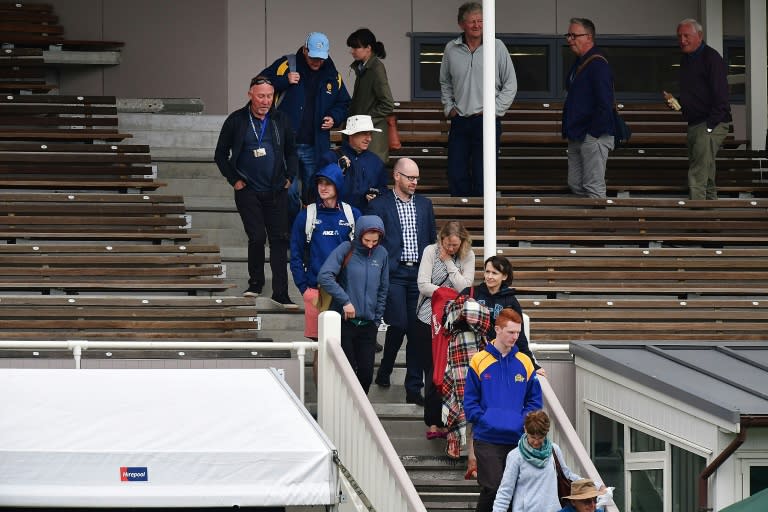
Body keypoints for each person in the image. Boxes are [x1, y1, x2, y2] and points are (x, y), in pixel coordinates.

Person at [214, 75, 298, 308]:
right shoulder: (236, 120)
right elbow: (220, 154)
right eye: (261, 95)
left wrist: (290, 177)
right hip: (248, 189)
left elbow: (292, 151)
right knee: (257, 237)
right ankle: (255, 283)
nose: (265, 100)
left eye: (269, 96)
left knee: (280, 241)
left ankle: (281, 293)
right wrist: (235, 180)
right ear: (250, 94)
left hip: (276, 190)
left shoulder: (281, 119)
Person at [368, 158, 436, 405]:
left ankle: (411, 388)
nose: (415, 182)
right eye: (410, 177)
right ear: (397, 176)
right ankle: (386, 367)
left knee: (416, 330)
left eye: (417, 178)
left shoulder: (425, 205)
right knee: (399, 323)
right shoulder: (379, 205)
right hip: (394, 274)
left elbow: (431, 241)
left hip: (419, 275)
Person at [261, 32, 351, 217]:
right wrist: (283, 81)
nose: (317, 62)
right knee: (289, 191)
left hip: (315, 145)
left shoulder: (333, 76)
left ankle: (307, 233)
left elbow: (345, 104)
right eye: (313, 57)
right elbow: (259, 85)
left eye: (321, 58)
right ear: (304, 50)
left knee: (314, 191)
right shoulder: (286, 65)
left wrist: (334, 117)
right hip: (285, 144)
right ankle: (293, 227)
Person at [464, 308, 543, 512]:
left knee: (512, 492)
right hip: (487, 437)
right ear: (497, 329)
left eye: (518, 332)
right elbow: (470, 401)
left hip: (516, 440)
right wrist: (484, 419)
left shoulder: (525, 362)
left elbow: (534, 401)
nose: (515, 337)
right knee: (493, 487)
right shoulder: (479, 360)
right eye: (511, 332)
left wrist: (521, 420)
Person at [439, 2, 517, 197]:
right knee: (456, 173)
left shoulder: (497, 46)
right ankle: (460, 222)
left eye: (481, 21)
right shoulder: (451, 48)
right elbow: (445, 81)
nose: (477, 25)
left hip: (487, 121)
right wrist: (449, 107)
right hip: (460, 120)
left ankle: (483, 223)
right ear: (461, 24)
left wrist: (494, 110)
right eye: (472, 21)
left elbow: (510, 84)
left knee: (485, 175)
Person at [416, 221, 475, 441]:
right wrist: (446, 294)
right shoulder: (430, 251)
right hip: (427, 318)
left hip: (456, 320)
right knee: (431, 371)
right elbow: (423, 284)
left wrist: (449, 262)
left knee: (451, 371)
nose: (451, 248)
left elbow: (465, 287)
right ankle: (432, 421)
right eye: (448, 244)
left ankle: (449, 421)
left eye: (455, 245)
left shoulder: (468, 256)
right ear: (441, 239)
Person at [289, 162, 361, 341]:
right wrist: (303, 288)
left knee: (344, 343)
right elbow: (295, 253)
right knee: (319, 347)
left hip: (346, 292)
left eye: (328, 183)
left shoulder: (353, 214)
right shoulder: (307, 215)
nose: (323, 187)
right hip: (316, 290)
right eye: (320, 182)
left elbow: (364, 252)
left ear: (338, 184)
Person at [317, 215, 389, 393]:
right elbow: (324, 276)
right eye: (367, 240)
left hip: (368, 324)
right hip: (345, 323)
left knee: (365, 374)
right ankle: (344, 414)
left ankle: (357, 414)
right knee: (346, 372)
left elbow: (383, 288)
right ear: (359, 235)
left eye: (375, 240)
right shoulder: (346, 248)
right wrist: (345, 301)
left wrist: (376, 320)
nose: (371, 244)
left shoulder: (382, 254)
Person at [663, 18, 732, 200]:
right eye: (679, 36)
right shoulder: (686, 60)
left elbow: (722, 96)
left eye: (686, 35)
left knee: (697, 173)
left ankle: (697, 218)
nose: (682, 40)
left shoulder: (711, 58)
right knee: (705, 171)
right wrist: (676, 102)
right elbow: (694, 95)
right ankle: (711, 219)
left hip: (710, 122)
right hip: (695, 123)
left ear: (699, 36)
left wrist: (710, 126)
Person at [562, 18, 616, 199]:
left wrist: (593, 134)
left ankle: (601, 225)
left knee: (593, 186)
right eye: (568, 35)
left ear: (589, 37)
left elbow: (605, 103)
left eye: (574, 35)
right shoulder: (579, 62)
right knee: (576, 184)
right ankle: (590, 222)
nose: (569, 39)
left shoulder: (598, 64)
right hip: (578, 134)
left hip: (593, 135)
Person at [492, 410, 585, 512]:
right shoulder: (515, 456)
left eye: (540, 438)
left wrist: (595, 486)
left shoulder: (554, 450)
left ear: (546, 434)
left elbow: (567, 475)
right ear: (525, 430)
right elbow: (505, 491)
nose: (536, 442)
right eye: (532, 437)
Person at [459, 255, 539, 369]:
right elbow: (451, 321)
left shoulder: (511, 301)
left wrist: (533, 365)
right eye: (487, 272)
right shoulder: (470, 293)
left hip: (498, 359)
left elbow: (519, 336)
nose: (489, 276)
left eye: (494, 273)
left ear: (504, 276)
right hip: (469, 357)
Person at [320, 114, 388, 211]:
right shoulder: (331, 158)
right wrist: (336, 171)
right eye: (364, 133)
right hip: (337, 216)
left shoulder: (376, 161)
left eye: (370, 134)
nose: (369, 139)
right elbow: (316, 189)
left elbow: (383, 190)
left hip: (366, 218)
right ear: (351, 134)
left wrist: (377, 195)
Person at [346, 28, 395, 163]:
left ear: (368, 48)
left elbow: (387, 104)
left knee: (371, 178)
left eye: (356, 47)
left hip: (372, 141)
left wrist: (365, 121)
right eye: (352, 47)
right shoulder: (362, 67)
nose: (352, 51)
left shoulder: (376, 68)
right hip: (363, 136)